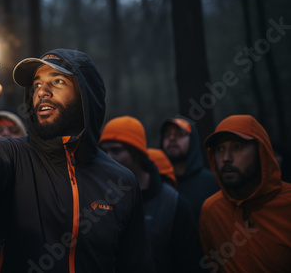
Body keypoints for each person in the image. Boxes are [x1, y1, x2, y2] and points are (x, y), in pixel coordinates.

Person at [0, 49, 154, 272]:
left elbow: (136, 264)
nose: (42, 92)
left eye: (57, 81)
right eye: (37, 84)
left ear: (86, 94)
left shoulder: (121, 181)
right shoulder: (10, 157)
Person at [99, 116, 202, 273]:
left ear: (136, 152)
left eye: (116, 150)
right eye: (104, 151)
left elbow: (191, 265)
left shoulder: (173, 203)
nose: (108, 158)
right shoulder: (98, 197)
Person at [199, 115, 291, 272]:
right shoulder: (211, 210)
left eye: (237, 147)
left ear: (260, 151)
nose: (226, 158)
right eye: (220, 149)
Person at [160, 117, 219, 221]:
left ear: (193, 141)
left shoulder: (212, 183)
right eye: (167, 135)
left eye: (179, 134)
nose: (172, 138)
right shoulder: (157, 182)